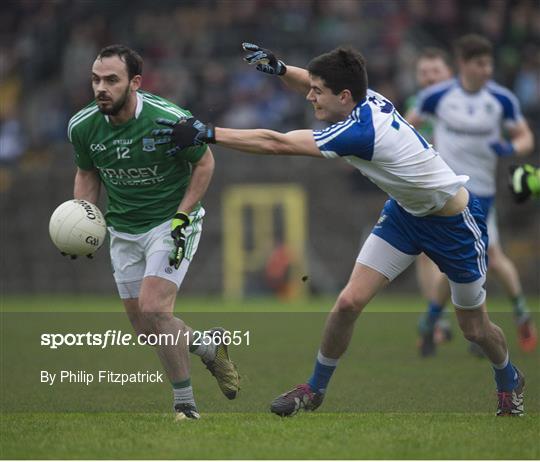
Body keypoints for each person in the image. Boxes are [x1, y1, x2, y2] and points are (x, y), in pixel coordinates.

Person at [153, 43, 525, 417]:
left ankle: (509, 379)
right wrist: (282, 69)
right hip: (405, 215)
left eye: (318, 92)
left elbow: (277, 143)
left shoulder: (358, 133)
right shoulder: (364, 97)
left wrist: (209, 132)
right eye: (310, 88)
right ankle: (314, 389)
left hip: (455, 224)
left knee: (475, 329)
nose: (310, 96)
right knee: (348, 303)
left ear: (344, 96)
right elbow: (313, 85)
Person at [66, 44, 239, 420]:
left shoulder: (168, 119)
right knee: (145, 328)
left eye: (111, 80)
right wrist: (87, 220)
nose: (101, 88)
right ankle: (210, 348)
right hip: (124, 228)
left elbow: (205, 163)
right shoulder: (82, 127)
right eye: (96, 79)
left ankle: (186, 406)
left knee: (156, 309)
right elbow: (87, 173)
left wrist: (182, 214)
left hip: (171, 221)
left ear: (135, 82)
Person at [408, 34, 537, 355]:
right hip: (446, 193)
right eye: (481, 63)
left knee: (484, 260)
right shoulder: (436, 97)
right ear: (464, 65)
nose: (487, 69)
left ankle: (438, 320)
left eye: (489, 62)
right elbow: (406, 130)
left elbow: (525, 138)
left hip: (483, 197)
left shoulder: (501, 99)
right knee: (470, 261)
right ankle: (481, 326)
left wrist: (510, 147)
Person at [404, 48, 455, 353]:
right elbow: (404, 137)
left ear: (448, 73)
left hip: (466, 187)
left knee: (480, 255)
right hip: (429, 189)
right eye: (424, 72)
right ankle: (439, 320)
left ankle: (473, 320)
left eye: (435, 71)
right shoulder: (416, 104)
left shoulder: (463, 101)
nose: (429, 77)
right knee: (424, 254)